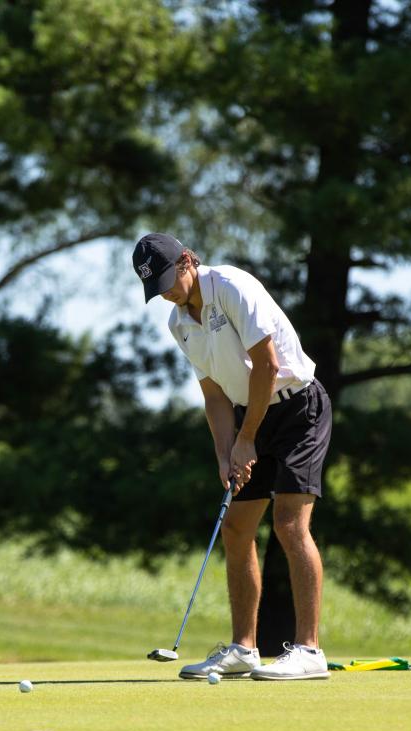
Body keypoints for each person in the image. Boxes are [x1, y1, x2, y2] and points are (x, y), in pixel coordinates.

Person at [132, 232, 333, 681]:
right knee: (237, 526)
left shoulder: (232, 286)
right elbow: (213, 395)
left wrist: (247, 439)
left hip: (299, 406)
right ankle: (244, 649)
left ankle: (310, 651)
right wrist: (225, 453)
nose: (168, 291)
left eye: (169, 279)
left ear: (187, 260)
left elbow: (267, 365)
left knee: (288, 523)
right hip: (249, 414)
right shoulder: (178, 323)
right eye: (157, 287)